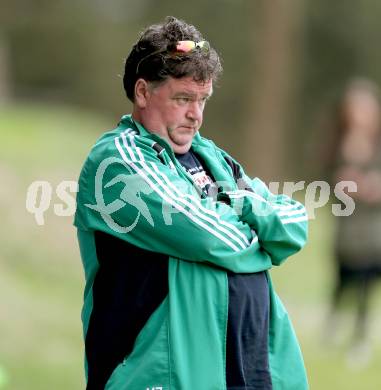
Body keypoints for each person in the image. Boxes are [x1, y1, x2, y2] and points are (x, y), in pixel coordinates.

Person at [75, 16, 309, 390]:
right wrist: (260, 232)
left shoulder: (208, 155)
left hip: (249, 369)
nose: (196, 115)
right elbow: (208, 237)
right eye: (183, 99)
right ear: (142, 92)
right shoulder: (117, 161)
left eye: (202, 100)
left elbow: (294, 225)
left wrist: (248, 212)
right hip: (166, 377)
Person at [325, 78, 381, 358]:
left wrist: (371, 187)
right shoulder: (341, 142)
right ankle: (333, 325)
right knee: (342, 277)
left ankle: (360, 337)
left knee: (366, 282)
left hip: (374, 230)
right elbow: (326, 180)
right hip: (347, 227)